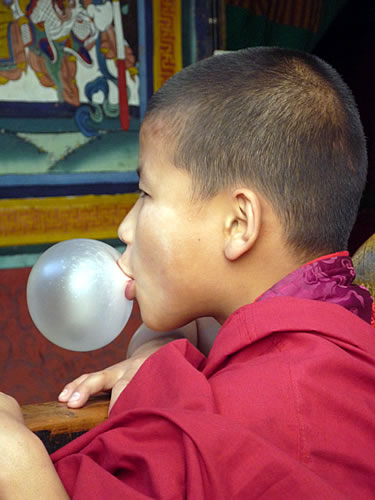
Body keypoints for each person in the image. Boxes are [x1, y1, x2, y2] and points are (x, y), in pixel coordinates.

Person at [0, 46, 374, 498]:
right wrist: (158, 347)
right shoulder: (342, 321)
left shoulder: (262, 416)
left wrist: (18, 467)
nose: (125, 228)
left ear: (238, 224)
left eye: (146, 194)